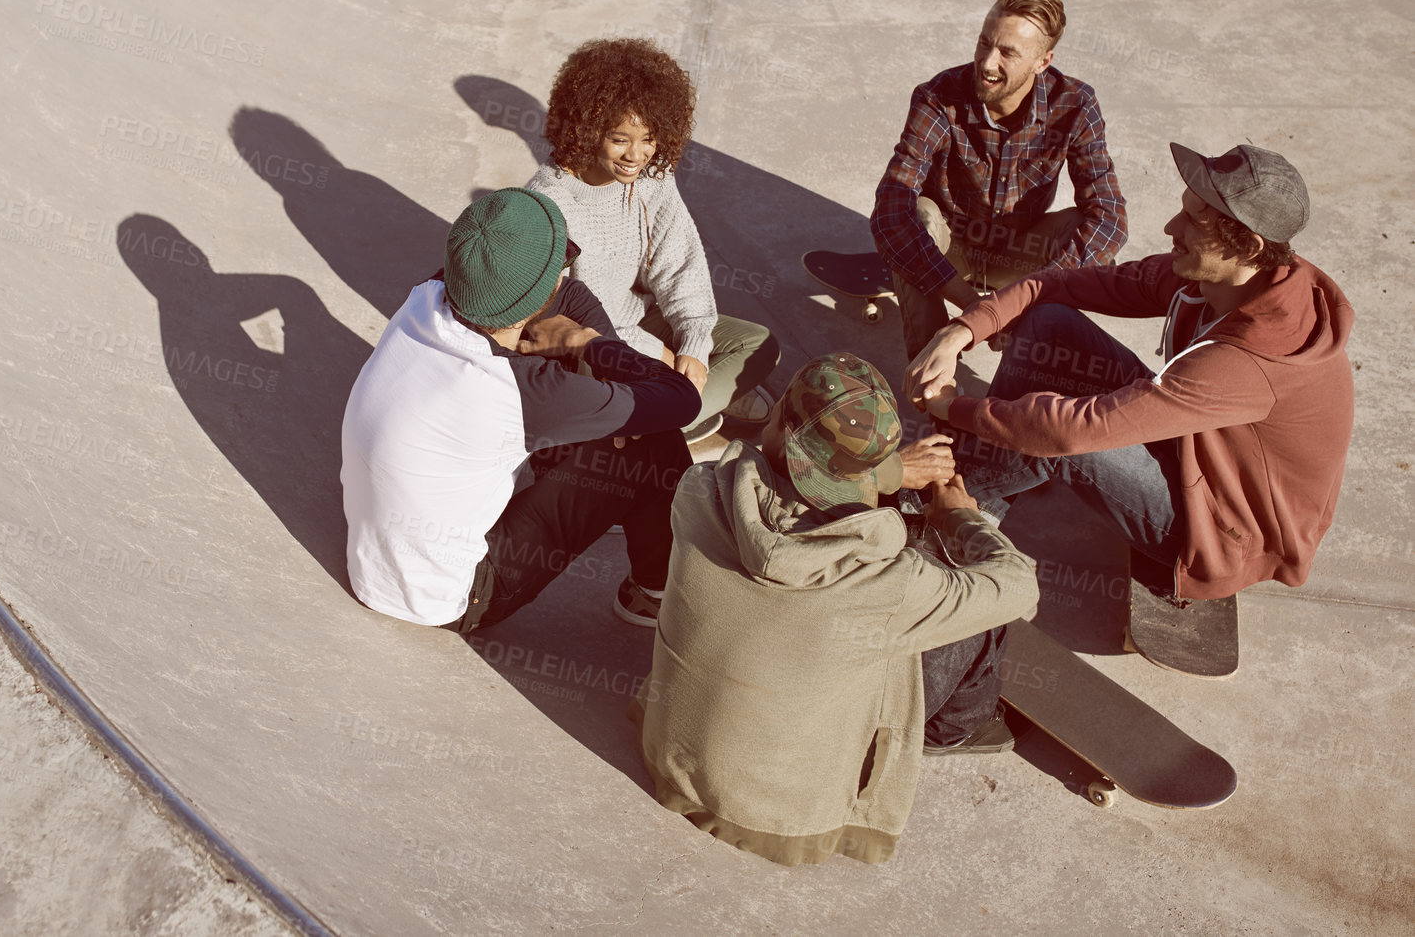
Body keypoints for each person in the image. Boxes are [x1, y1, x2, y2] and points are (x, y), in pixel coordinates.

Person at [629, 354, 1039, 866]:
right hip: (779, 818)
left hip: (670, 759)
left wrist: (892, 471)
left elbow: (767, 462)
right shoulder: (894, 584)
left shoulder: (699, 489)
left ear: (777, 418)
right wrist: (962, 521)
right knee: (969, 606)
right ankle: (960, 728)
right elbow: (1020, 587)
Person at [906, 143, 1354, 603]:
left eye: (1194, 224)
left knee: (1069, 438)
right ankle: (973, 489)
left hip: (1221, 528)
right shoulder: (1226, 276)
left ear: (1251, 246)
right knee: (1049, 324)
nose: (1170, 229)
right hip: (1195, 450)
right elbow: (1055, 283)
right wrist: (960, 332)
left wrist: (952, 406)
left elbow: (1076, 431)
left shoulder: (1253, 359)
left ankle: (951, 512)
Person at [342, 187, 702, 633]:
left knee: (616, 414)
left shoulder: (429, 295)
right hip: (454, 597)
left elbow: (569, 294)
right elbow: (681, 400)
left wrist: (603, 380)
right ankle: (653, 591)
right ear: (534, 295)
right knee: (655, 444)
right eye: (558, 266)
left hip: (374, 563)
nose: (564, 275)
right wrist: (585, 344)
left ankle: (577, 442)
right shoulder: (516, 389)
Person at [528, 37, 779, 443]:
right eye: (620, 138)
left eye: (648, 138)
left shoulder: (650, 176)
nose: (636, 155)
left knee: (761, 345)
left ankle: (668, 414)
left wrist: (694, 347)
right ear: (586, 127)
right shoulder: (549, 201)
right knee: (608, 373)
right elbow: (572, 318)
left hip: (641, 315)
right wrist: (658, 357)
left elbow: (680, 264)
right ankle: (676, 411)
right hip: (593, 343)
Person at [870, 0, 1128, 362]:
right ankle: (933, 385)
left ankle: (1026, 373)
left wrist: (1022, 300)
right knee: (915, 219)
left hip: (1020, 255)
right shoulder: (939, 97)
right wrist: (973, 306)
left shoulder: (1074, 105)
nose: (988, 63)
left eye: (1008, 52)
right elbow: (891, 209)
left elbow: (1111, 219)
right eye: (984, 43)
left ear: (1043, 61)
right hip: (949, 251)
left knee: (1093, 243)